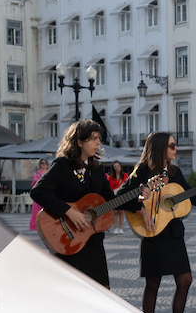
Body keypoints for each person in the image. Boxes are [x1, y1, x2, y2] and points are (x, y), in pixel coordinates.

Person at [30, 120, 147, 288]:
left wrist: (138, 198)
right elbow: (38, 192)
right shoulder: (62, 165)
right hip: (68, 238)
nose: (98, 143)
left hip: (93, 242)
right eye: (93, 138)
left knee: (101, 292)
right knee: (74, 294)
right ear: (79, 141)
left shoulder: (97, 169)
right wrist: (69, 211)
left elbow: (110, 200)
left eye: (99, 138)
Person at [122, 132, 196, 313]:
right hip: (153, 233)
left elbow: (192, 196)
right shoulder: (142, 170)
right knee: (153, 283)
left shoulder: (175, 172)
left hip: (173, 235)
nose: (176, 149)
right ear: (161, 147)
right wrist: (140, 207)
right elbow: (120, 195)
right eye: (172, 145)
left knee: (185, 280)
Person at [107, 160, 128, 233]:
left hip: (122, 194)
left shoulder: (125, 175)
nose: (117, 168)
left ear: (120, 166)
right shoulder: (110, 177)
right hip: (114, 194)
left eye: (118, 166)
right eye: (115, 167)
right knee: (115, 212)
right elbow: (108, 186)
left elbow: (127, 184)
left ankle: (121, 228)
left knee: (121, 211)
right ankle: (116, 228)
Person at [28, 158, 49, 230]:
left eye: (45, 163)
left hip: (47, 195)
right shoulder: (36, 174)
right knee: (36, 213)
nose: (44, 164)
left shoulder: (49, 172)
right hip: (38, 196)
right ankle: (35, 227)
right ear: (40, 164)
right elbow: (35, 184)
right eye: (42, 163)